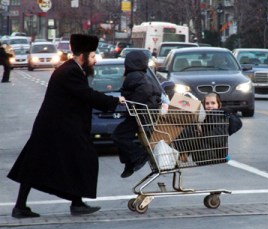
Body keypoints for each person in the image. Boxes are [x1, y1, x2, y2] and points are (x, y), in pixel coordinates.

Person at [7, 34, 125, 219]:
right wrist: (115, 100)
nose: (94, 61)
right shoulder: (70, 72)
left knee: (40, 165)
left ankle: (71, 203)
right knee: (69, 161)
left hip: (59, 126)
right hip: (56, 128)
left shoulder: (73, 69)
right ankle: (27, 206)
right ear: (82, 56)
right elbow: (87, 95)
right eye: (92, 56)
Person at [112, 50, 163, 178]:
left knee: (119, 135)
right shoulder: (144, 75)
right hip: (144, 113)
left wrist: (132, 103)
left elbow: (144, 91)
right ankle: (130, 162)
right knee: (122, 135)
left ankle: (138, 156)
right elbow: (155, 92)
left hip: (140, 113)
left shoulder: (134, 75)